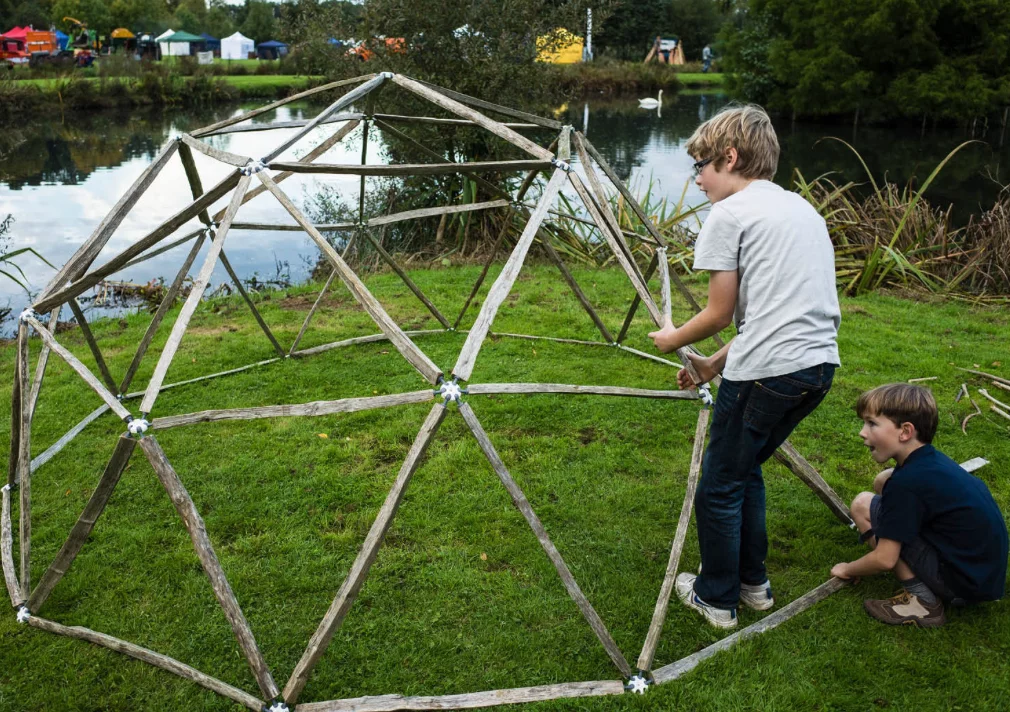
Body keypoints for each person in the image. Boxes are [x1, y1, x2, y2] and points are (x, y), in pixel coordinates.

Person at [648, 104, 841, 628]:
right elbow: (776, 313)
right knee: (745, 468)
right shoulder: (801, 210)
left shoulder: (730, 215)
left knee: (719, 485)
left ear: (729, 157)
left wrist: (673, 339)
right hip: (817, 368)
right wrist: (711, 364)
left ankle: (716, 597)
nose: (698, 182)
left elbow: (719, 313)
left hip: (766, 373)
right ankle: (753, 585)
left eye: (702, 168)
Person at [830, 384, 1008, 627]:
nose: (863, 432)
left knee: (862, 505)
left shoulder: (907, 484)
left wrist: (848, 569)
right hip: (981, 577)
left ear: (905, 431)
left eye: (871, 424)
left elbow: (884, 560)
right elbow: (887, 482)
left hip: (960, 586)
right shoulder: (931, 461)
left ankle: (923, 602)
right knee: (884, 480)